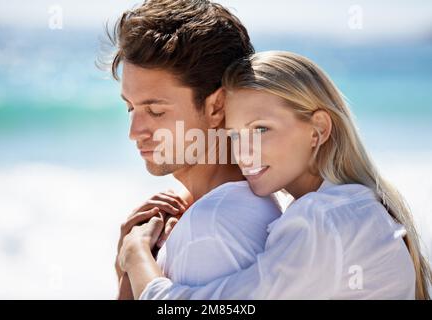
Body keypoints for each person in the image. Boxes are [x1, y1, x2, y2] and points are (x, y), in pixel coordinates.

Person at [119, 51, 432, 299]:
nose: (245, 152)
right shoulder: (351, 206)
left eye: (261, 130)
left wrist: (135, 256)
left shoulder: (323, 220)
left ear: (319, 129)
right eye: (236, 135)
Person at [108, 0, 283, 300]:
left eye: (155, 111)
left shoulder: (209, 227)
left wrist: (133, 260)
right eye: (130, 108)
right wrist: (126, 270)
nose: (134, 132)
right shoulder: (246, 200)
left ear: (216, 106)